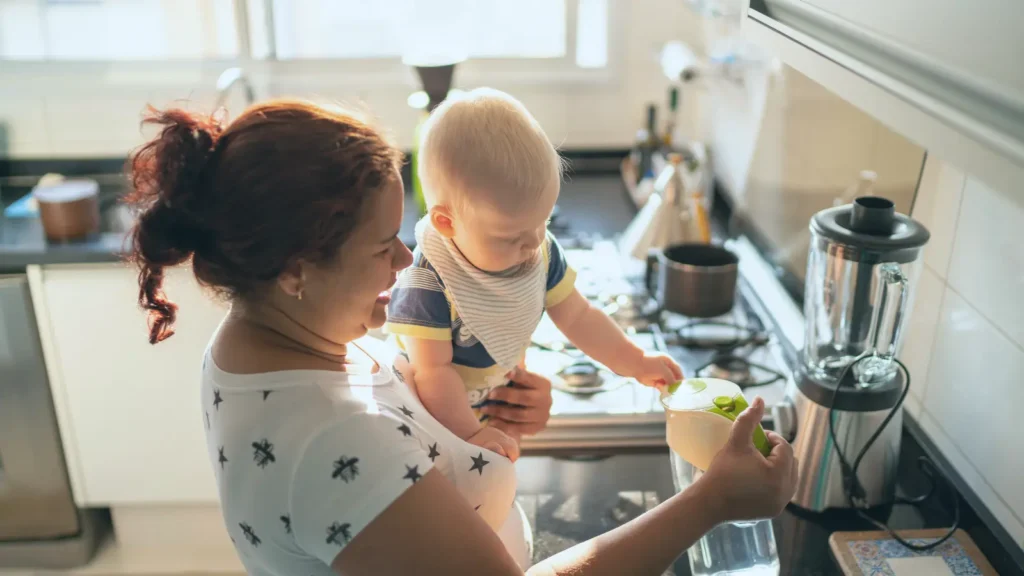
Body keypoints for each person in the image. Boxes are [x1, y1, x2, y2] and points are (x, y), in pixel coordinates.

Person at [126, 98, 798, 575]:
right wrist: (711, 501)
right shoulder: (330, 436)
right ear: (297, 271)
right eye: (380, 246)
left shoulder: (271, 339)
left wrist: (490, 418)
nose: (402, 263)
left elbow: (408, 416)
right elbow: (360, 456)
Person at [386, 88, 682, 457]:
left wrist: (636, 362)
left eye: (542, 222)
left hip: (495, 431)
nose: (532, 244)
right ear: (447, 223)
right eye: (510, 237)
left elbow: (579, 316)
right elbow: (433, 374)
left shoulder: (537, 249)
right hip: (436, 441)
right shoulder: (428, 285)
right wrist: (471, 438)